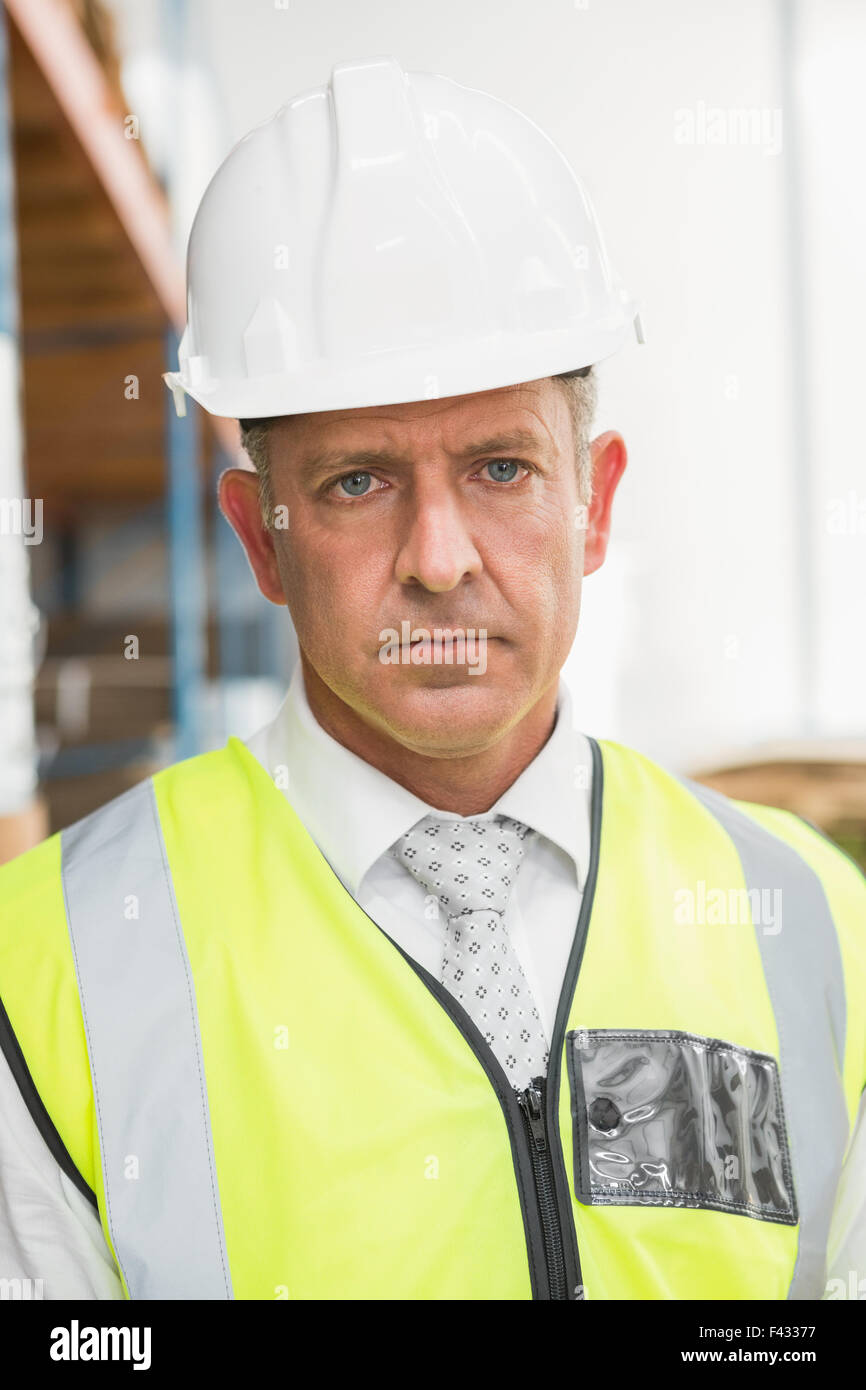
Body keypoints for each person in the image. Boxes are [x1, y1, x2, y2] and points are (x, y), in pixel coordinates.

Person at [0, 55, 864, 1302]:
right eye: (357, 481)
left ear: (593, 501)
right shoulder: (50, 970)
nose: (439, 561)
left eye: (502, 469)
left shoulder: (815, 933)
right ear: (261, 538)